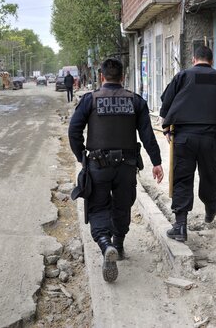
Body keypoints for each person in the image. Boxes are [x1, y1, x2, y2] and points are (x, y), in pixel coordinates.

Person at [68, 58, 164, 283]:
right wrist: (157, 162)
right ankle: (118, 244)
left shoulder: (89, 100)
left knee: (99, 206)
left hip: (98, 165)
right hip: (126, 166)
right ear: (123, 77)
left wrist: (82, 157)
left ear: (102, 77)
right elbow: (147, 135)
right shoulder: (135, 101)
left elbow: (74, 131)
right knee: (122, 206)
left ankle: (105, 244)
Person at [159, 46, 216, 242]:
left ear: (194, 59)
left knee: (182, 178)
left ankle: (180, 226)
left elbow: (165, 106)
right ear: (211, 61)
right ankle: (211, 206)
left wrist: (167, 125)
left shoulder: (183, 76)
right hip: (211, 138)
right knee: (209, 175)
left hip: (184, 138)